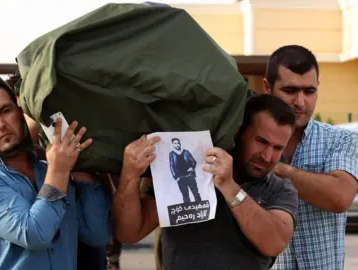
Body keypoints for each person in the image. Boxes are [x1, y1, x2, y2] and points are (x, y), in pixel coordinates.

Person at [113, 94, 299, 269]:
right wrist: (129, 176)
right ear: (239, 132)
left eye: (277, 148)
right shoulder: (196, 172)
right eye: (261, 141)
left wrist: (229, 187)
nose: (267, 156)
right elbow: (129, 233)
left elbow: (273, 243)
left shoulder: (281, 188)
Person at [0, 76, 111, 270]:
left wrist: (83, 169)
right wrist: (60, 170)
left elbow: (99, 235)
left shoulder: (50, 169)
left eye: (5, 111)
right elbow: (34, 234)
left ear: (21, 114)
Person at [264, 45, 358, 270]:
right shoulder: (246, 142)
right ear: (268, 88)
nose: (300, 102)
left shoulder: (341, 140)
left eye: (309, 91)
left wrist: (274, 167)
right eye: (289, 90)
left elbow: (340, 198)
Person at [169, 138, 201, 203]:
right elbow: (172, 166)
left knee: (196, 193)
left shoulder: (186, 152)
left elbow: (194, 162)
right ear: (173, 145)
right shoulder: (171, 154)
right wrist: (176, 177)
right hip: (180, 178)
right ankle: (188, 210)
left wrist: (192, 167)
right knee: (185, 195)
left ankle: (200, 208)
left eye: (178, 143)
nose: (177, 145)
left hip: (190, 176)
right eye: (175, 143)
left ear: (180, 143)